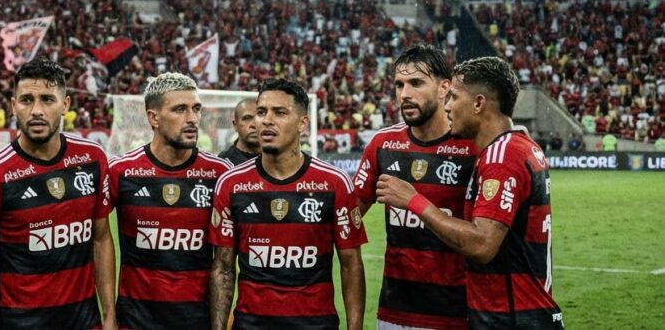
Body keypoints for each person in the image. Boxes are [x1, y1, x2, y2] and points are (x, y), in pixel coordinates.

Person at [377, 57, 563, 329]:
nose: (447, 106)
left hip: (511, 319)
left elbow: (482, 244)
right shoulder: (516, 147)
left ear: (478, 104)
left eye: (453, 97)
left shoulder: (502, 157)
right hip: (520, 315)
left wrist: (412, 200)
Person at [0, 58, 117, 329]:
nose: (36, 110)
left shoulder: (92, 159)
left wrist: (110, 314)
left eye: (47, 99)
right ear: (13, 105)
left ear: (65, 105)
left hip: (85, 323)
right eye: (27, 100)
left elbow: (101, 239)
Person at [210, 78, 367, 329]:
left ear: (302, 123)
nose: (266, 120)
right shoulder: (230, 184)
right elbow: (223, 268)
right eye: (261, 112)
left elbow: (351, 265)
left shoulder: (335, 183)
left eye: (279, 112)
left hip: (316, 325)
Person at [352, 44, 477, 329]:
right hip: (394, 312)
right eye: (399, 84)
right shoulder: (382, 145)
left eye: (416, 83)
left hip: (457, 312)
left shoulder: (473, 147)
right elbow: (349, 214)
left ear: (445, 87)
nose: (404, 94)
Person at [109, 72, 232, 329]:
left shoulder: (219, 173)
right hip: (136, 321)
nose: (192, 119)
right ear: (153, 118)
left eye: (196, 109)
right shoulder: (121, 172)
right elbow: (95, 239)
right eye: (180, 109)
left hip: (195, 321)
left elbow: (226, 264)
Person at [218, 97, 260, 165]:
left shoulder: (277, 159)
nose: (254, 125)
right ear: (235, 125)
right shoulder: (223, 163)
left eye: (259, 118)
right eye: (247, 118)